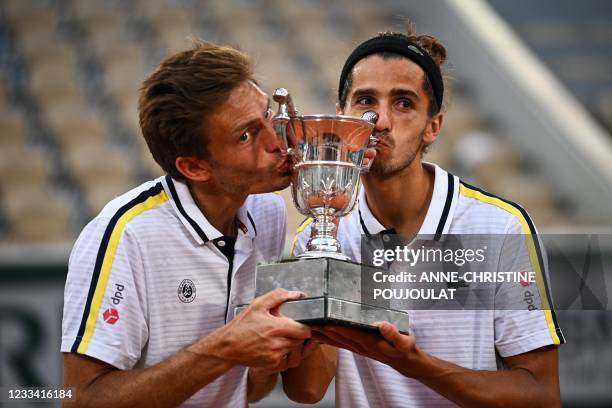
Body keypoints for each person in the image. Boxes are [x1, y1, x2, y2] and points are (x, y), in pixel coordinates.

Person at [291, 27, 565, 407]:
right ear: (341, 116)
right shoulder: (319, 235)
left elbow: (542, 396)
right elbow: (306, 390)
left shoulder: (499, 227)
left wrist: (414, 364)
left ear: (432, 126)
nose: (380, 121)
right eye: (365, 100)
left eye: (403, 103)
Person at [61, 40, 319, 407]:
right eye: (246, 135)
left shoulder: (268, 212)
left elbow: (244, 391)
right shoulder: (125, 235)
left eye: (267, 114)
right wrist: (224, 349)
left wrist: (265, 365)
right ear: (194, 167)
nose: (277, 140)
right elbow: (77, 400)